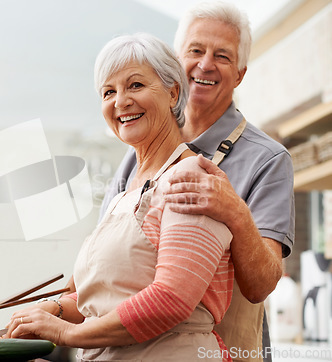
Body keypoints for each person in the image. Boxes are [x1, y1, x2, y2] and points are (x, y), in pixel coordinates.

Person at [4, 33, 234, 361]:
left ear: (173, 93)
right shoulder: (125, 194)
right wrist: (52, 309)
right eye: (108, 92)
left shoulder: (191, 179)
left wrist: (64, 332)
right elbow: (105, 301)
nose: (120, 101)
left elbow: (170, 300)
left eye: (135, 85)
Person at [97, 2, 295, 362]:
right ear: (175, 62)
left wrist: (234, 211)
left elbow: (263, 284)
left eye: (222, 55)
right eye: (195, 50)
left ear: (240, 74)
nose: (205, 64)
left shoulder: (268, 160)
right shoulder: (136, 154)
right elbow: (103, 262)